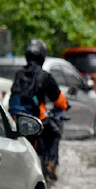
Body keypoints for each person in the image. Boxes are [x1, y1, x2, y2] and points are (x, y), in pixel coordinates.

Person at [10, 38, 68, 180]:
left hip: (15, 119)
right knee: (54, 134)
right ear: (42, 56)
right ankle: (50, 165)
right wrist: (65, 105)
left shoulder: (19, 74)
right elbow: (60, 101)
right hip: (36, 119)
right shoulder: (45, 76)